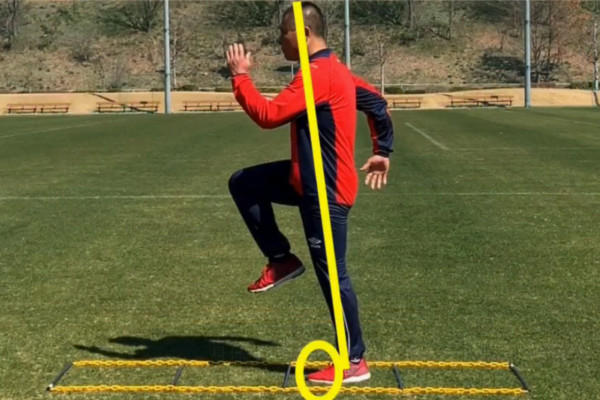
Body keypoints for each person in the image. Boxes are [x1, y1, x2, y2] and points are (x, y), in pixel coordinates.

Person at [225, 1, 393, 384]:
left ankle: (353, 360)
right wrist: (382, 150)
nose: (279, 42)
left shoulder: (320, 74)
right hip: (306, 180)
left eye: (282, 34)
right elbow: (378, 104)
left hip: (327, 191)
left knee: (333, 275)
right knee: (244, 182)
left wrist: (240, 77)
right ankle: (281, 259)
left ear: (302, 34)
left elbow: (268, 116)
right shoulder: (335, 71)